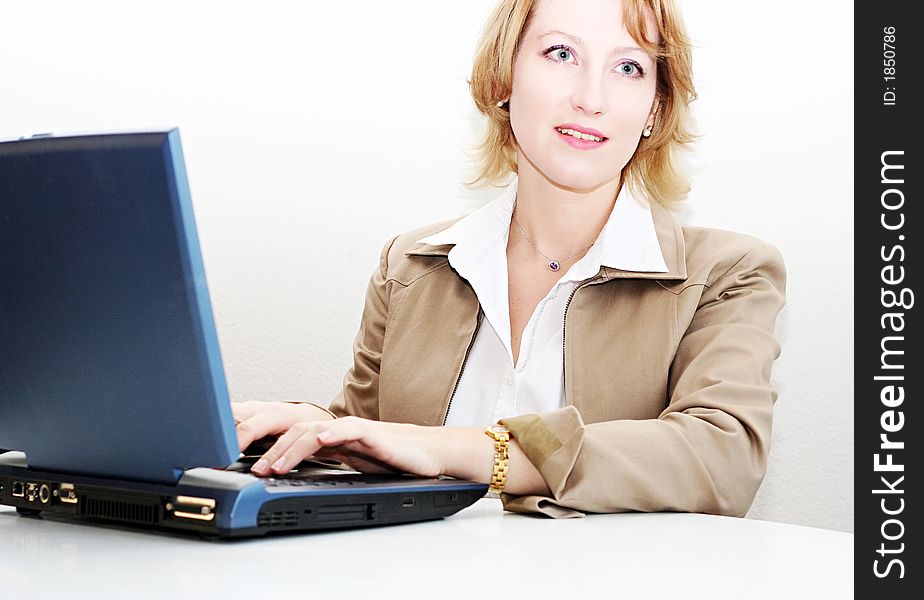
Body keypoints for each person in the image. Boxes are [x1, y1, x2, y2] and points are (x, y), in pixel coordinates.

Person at [232, 0, 786, 519]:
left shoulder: (728, 273)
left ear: (655, 107)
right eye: (562, 54)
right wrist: (323, 432)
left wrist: (469, 451)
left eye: (629, 68)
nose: (592, 98)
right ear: (503, 79)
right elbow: (376, 439)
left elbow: (722, 460)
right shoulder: (409, 265)